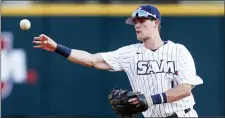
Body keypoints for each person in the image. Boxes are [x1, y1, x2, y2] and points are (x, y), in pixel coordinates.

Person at [33, 4, 203, 118]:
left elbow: (185, 89)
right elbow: (91, 60)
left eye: (142, 21)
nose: (137, 25)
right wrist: (57, 47)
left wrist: (151, 99)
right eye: (135, 22)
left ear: (156, 22)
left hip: (182, 115)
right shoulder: (130, 53)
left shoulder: (178, 50)